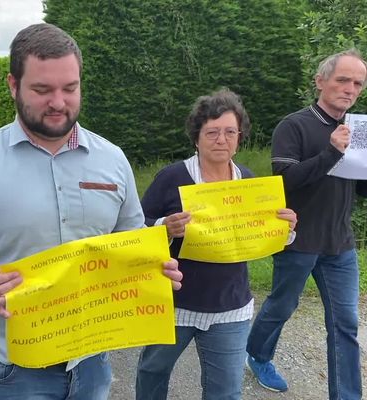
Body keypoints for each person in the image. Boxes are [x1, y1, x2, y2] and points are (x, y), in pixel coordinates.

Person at [0, 23, 183, 400]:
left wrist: (154, 269)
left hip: (92, 360)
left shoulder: (112, 159)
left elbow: (130, 241)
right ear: (14, 85)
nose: (59, 102)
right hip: (12, 367)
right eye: (42, 90)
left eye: (70, 88)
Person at [245, 49, 367, 399]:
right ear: (320, 81)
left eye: (357, 83)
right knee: (282, 306)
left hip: (340, 244)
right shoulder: (293, 125)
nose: (350, 89)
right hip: (297, 240)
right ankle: (258, 353)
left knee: (345, 323)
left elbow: (364, 190)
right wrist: (330, 153)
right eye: (342, 80)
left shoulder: (361, 128)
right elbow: (283, 182)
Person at [134, 89, 297, 400]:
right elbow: (136, 229)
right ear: (197, 137)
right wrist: (164, 228)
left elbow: (262, 238)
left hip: (230, 307)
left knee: (226, 393)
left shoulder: (249, 182)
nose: (221, 139)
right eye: (212, 132)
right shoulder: (172, 178)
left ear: (239, 138)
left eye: (230, 132)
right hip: (174, 305)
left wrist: (285, 228)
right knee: (152, 374)